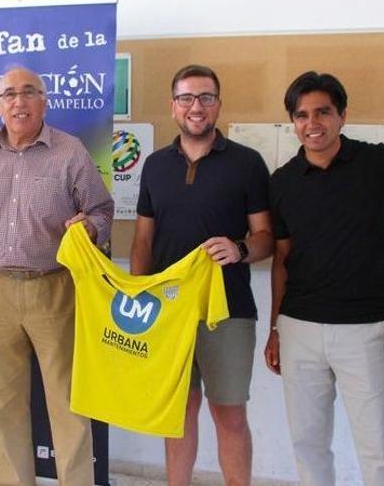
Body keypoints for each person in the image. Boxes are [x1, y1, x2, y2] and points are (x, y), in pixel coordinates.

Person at [0, 66, 114, 486]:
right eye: (9, 94)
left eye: (28, 92)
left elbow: (102, 210)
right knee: (3, 404)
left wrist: (90, 228)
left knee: (67, 404)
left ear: (44, 100)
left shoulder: (70, 151)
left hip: (54, 288)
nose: (18, 101)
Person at [130, 64, 273, 486]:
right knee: (178, 413)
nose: (197, 107)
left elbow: (266, 238)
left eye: (206, 98)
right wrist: (140, 300)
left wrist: (241, 248)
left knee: (229, 414)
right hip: (167, 313)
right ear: (173, 106)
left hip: (227, 313)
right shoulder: (155, 166)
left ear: (218, 105)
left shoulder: (247, 163)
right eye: (187, 98)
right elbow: (142, 242)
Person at [266, 71, 384, 486]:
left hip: (363, 328)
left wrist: (372, 249)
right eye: (302, 115)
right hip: (299, 328)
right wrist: (275, 328)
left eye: (323, 112)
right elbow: (282, 258)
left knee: (379, 450)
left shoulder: (380, 164)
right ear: (293, 122)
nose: (313, 124)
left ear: (342, 115)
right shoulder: (283, 181)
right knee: (308, 445)